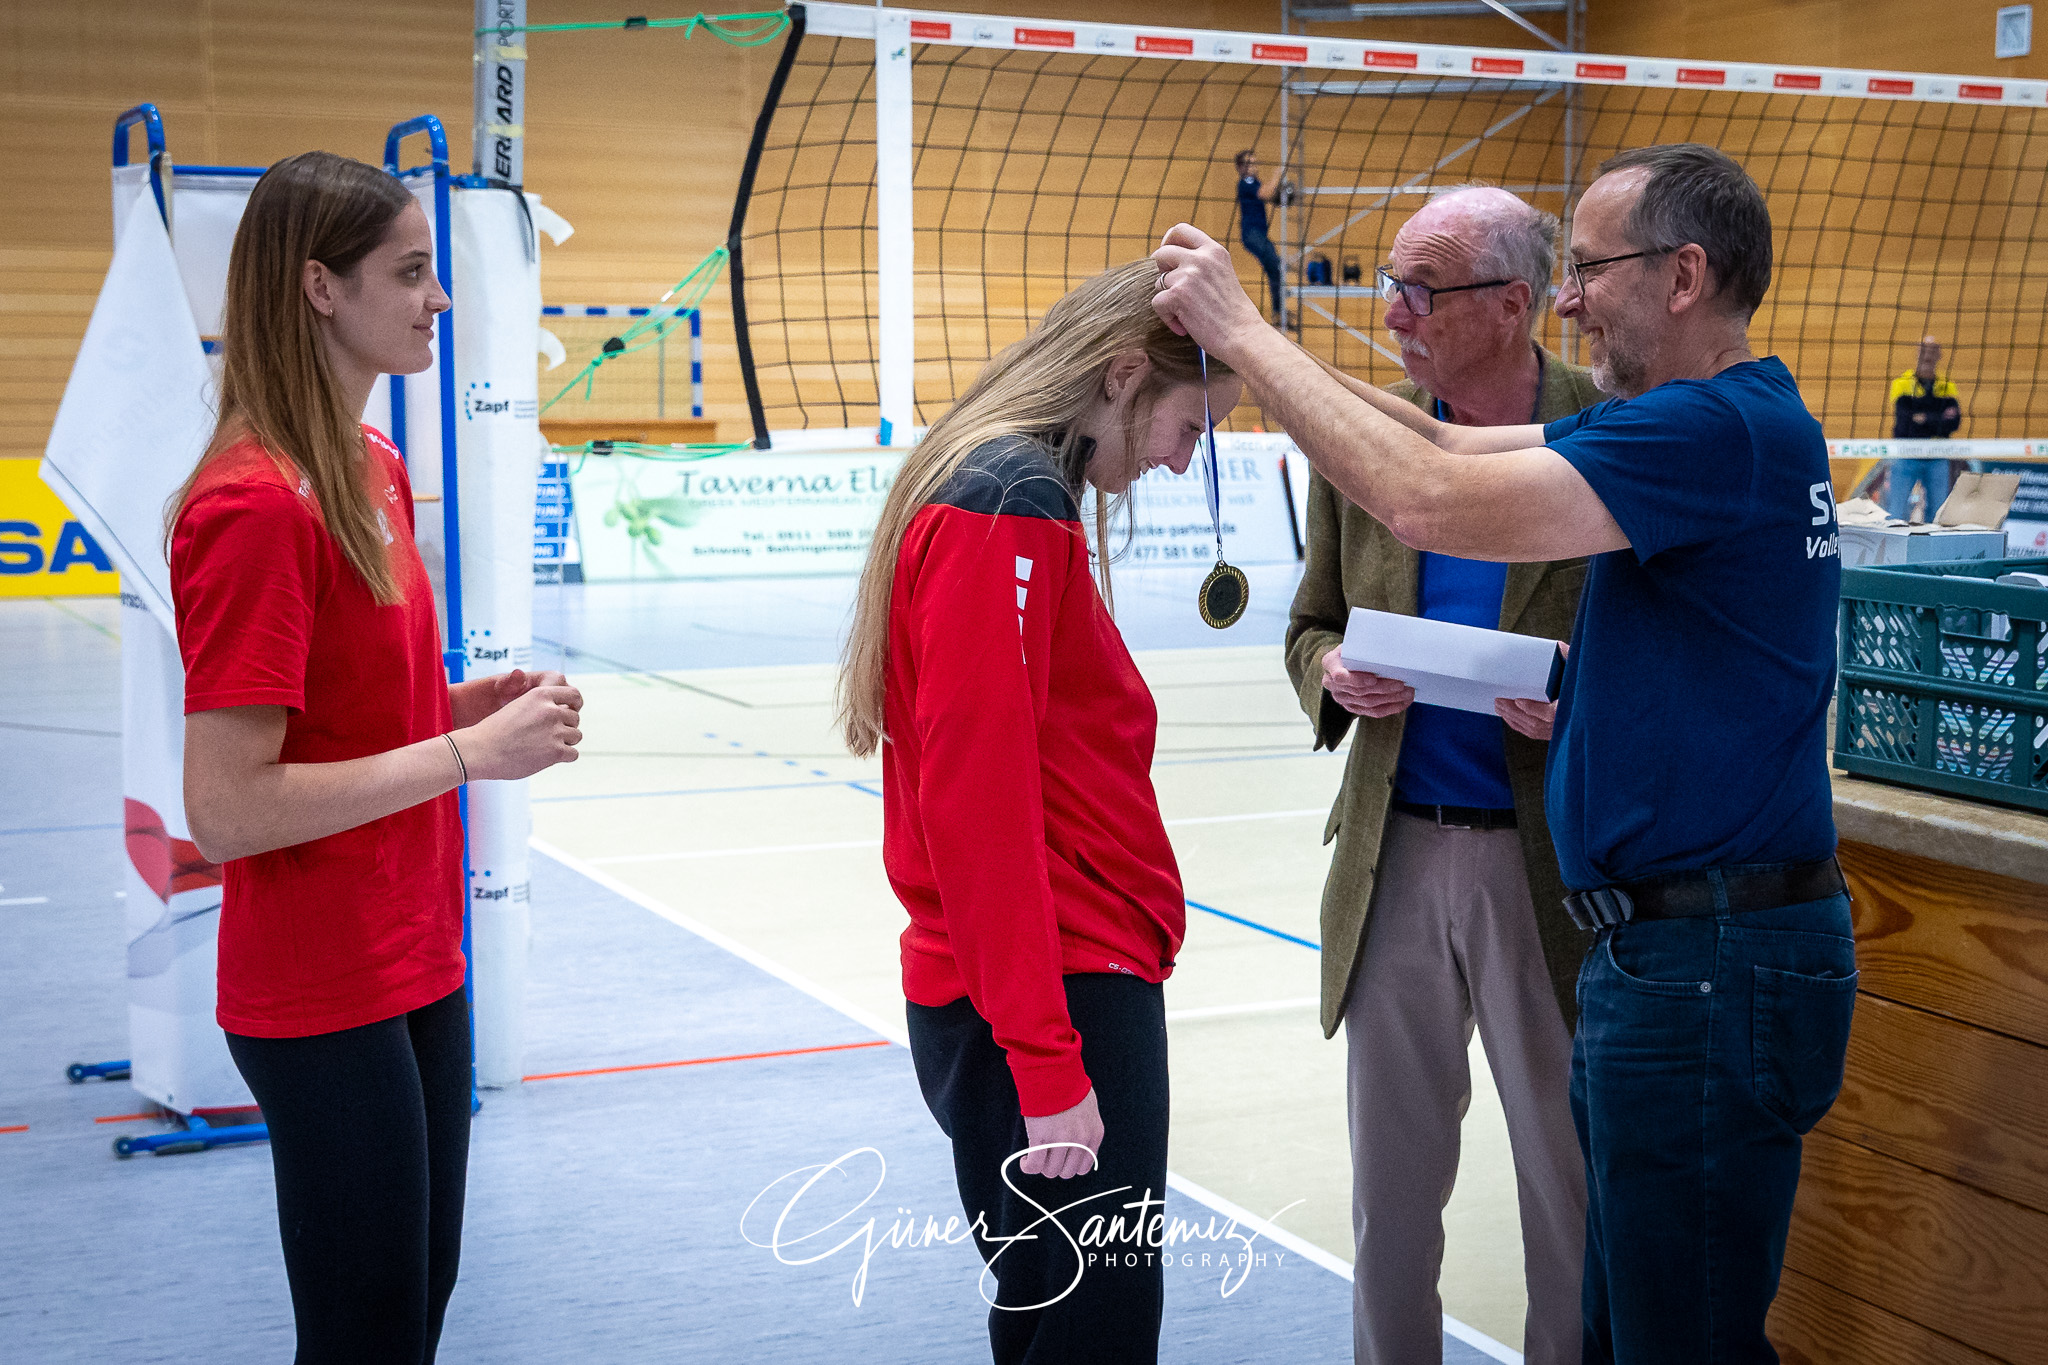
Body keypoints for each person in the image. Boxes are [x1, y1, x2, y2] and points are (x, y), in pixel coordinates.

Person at [1155, 143, 1854, 1365]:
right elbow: (1451, 454)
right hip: (1664, 942)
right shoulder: (1719, 422)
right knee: (1622, 1312)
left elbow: (1424, 500)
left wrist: (1243, 334)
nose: (1571, 295)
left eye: (1589, 268)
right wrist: (1270, 356)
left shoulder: (1697, 430)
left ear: (1683, 275)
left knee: (1666, 1325)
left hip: (1706, 949)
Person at [167, 151, 584, 1365]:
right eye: (409, 273)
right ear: (317, 289)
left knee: (417, 1304)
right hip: (319, 985)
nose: (438, 301)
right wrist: (464, 750)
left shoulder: (371, 468)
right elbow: (228, 807)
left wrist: (456, 704)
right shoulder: (253, 506)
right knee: (363, 1332)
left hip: (415, 953)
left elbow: (340, 718)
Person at [837, 259, 1242, 1365]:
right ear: (1121, 377)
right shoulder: (1006, 503)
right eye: (1186, 427)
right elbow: (979, 807)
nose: (1176, 461)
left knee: (1056, 1321)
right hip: (1051, 989)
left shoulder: (1014, 493)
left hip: (1050, 982)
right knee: (1088, 1332)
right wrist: (1048, 1063)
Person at [1285, 185, 1601, 1365]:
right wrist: (1334, 676)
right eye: (1390, 282)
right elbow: (1309, 622)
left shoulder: (1608, 431)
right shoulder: (1365, 437)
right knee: (1391, 1201)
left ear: (1512, 305)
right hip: (1396, 857)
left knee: (1564, 1198)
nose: (1394, 311)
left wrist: (1577, 697)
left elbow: (1659, 643)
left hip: (1553, 869)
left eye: (1421, 289)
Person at [1882, 334, 1963, 521]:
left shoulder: (1948, 386)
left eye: (1933, 350)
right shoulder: (1901, 383)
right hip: (1906, 453)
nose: (1928, 354)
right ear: (1917, 352)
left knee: (1937, 514)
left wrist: (1923, 417)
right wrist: (1937, 418)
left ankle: (1932, 550)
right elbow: (1905, 422)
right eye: (1924, 349)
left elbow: (1954, 423)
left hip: (1936, 455)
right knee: (1895, 512)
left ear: (1939, 355)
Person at [1233, 150, 1286, 324]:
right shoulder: (1246, 183)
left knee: (1275, 269)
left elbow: (1269, 196)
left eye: (1255, 162)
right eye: (1249, 163)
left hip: (1259, 234)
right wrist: (1278, 173)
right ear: (1241, 168)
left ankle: (1278, 312)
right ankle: (1277, 313)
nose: (1254, 167)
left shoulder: (1254, 182)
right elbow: (1266, 194)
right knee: (1274, 265)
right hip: (1252, 235)